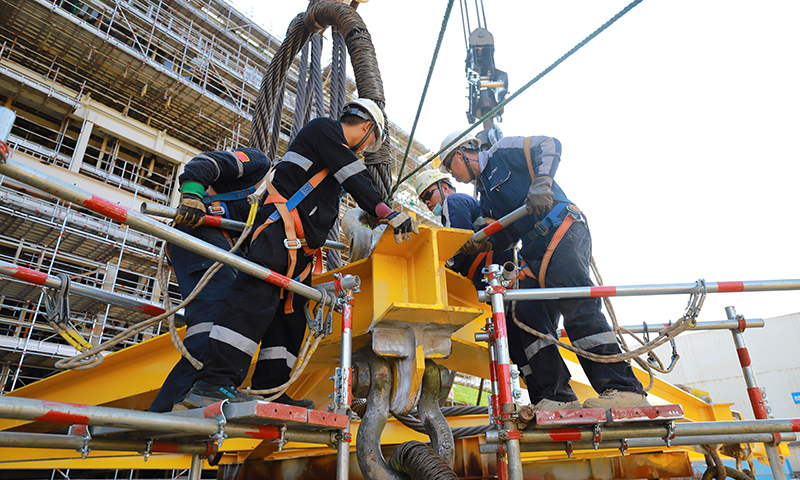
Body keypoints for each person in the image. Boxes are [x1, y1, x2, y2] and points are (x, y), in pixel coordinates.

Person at [183, 98, 419, 409]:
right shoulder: (324, 130)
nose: (363, 151)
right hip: (278, 233)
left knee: (289, 318)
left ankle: (271, 389)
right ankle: (213, 383)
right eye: (369, 144)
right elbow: (356, 177)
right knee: (253, 300)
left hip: (299, 251)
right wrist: (387, 212)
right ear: (366, 128)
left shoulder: (329, 156)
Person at [438, 131, 648, 411]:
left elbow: (549, 144)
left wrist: (542, 182)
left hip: (561, 231)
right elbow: (505, 236)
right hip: (534, 248)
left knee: (577, 308)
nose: (453, 176)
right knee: (526, 313)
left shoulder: (502, 153)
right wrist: (479, 242)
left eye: (451, 166)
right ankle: (559, 396)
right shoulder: (485, 197)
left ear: (462, 153)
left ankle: (624, 389)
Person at [148, 148, 270, 413]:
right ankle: (183, 404)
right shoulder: (259, 165)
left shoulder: (270, 210)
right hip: (201, 231)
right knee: (216, 317)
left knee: (213, 325)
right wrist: (192, 193)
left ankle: (169, 408)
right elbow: (206, 162)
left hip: (216, 244)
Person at [414, 169, 513, 292]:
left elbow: (459, 243)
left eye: (428, 195)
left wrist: (441, 267)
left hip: (492, 266)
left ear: (444, 188)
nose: (427, 202)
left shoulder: (453, 201)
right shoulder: (452, 210)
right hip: (494, 268)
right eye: (423, 200)